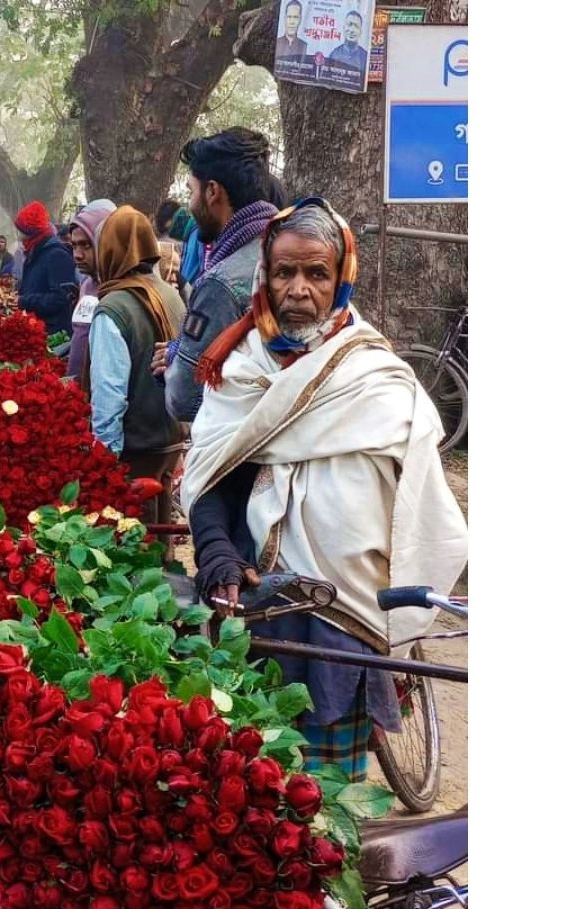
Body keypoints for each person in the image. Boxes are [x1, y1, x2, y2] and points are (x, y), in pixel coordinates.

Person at [183, 198, 467, 778]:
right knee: (253, 784)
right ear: (265, 276)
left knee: (332, 795)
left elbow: (421, 503)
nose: (298, 289)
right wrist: (216, 555)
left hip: (351, 609)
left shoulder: (378, 379)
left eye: (317, 273)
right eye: (284, 272)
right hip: (264, 606)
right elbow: (213, 476)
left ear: (342, 278)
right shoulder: (240, 370)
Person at [156, 128, 287, 422]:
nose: (190, 205)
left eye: (191, 191)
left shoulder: (220, 285)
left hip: (243, 441)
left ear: (212, 191)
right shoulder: (292, 253)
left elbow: (182, 398)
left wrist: (175, 358)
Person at [86, 206, 186, 529]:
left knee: (133, 546)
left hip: (134, 453)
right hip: (169, 444)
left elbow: (109, 393)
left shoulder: (113, 308)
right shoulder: (171, 295)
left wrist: (103, 465)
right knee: (161, 540)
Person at [62, 199, 115, 384]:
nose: (77, 255)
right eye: (74, 246)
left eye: (86, 245)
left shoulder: (119, 290)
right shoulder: (86, 285)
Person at [12, 200, 80, 338]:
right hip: (37, 329)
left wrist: (23, 301)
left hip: (54, 335)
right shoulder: (36, 252)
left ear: (32, 232)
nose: (19, 237)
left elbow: (60, 298)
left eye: (22, 232)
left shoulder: (57, 255)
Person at [328, 10, 371, 79]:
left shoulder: (366, 57)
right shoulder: (334, 54)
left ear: (360, 32)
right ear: (344, 28)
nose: (352, 30)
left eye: (356, 26)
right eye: (349, 25)